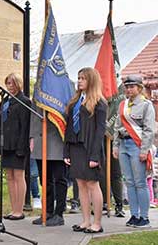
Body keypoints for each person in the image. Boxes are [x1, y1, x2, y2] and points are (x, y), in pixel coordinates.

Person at [63, 67, 107, 234]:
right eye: (79, 77)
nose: (80, 81)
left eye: (83, 78)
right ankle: (85, 221)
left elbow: (100, 131)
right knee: (80, 184)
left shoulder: (99, 103)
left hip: (90, 149)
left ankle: (97, 223)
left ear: (92, 80)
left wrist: (95, 155)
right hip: (75, 148)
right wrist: (66, 151)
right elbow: (68, 128)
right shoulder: (74, 101)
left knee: (92, 184)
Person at [113, 75, 156, 228]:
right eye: (127, 87)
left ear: (139, 88)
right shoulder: (122, 104)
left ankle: (144, 217)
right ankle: (134, 215)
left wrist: (144, 150)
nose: (129, 89)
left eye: (132, 86)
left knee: (140, 182)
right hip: (124, 145)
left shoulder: (146, 105)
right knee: (129, 182)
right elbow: (117, 127)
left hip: (137, 145)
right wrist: (115, 146)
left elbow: (149, 130)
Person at [0, 73, 31, 220]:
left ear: (19, 84)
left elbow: (25, 127)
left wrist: (22, 147)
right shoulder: (5, 101)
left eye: (13, 83)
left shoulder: (24, 101)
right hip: (6, 144)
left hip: (18, 144)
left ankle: (19, 210)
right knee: (9, 176)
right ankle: (13, 208)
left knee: (18, 175)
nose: (10, 86)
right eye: (8, 83)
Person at [30, 105, 69, 226]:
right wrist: (32, 136)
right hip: (40, 140)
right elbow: (34, 115)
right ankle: (47, 211)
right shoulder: (39, 87)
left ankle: (59, 214)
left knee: (60, 179)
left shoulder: (64, 88)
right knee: (44, 180)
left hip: (57, 139)